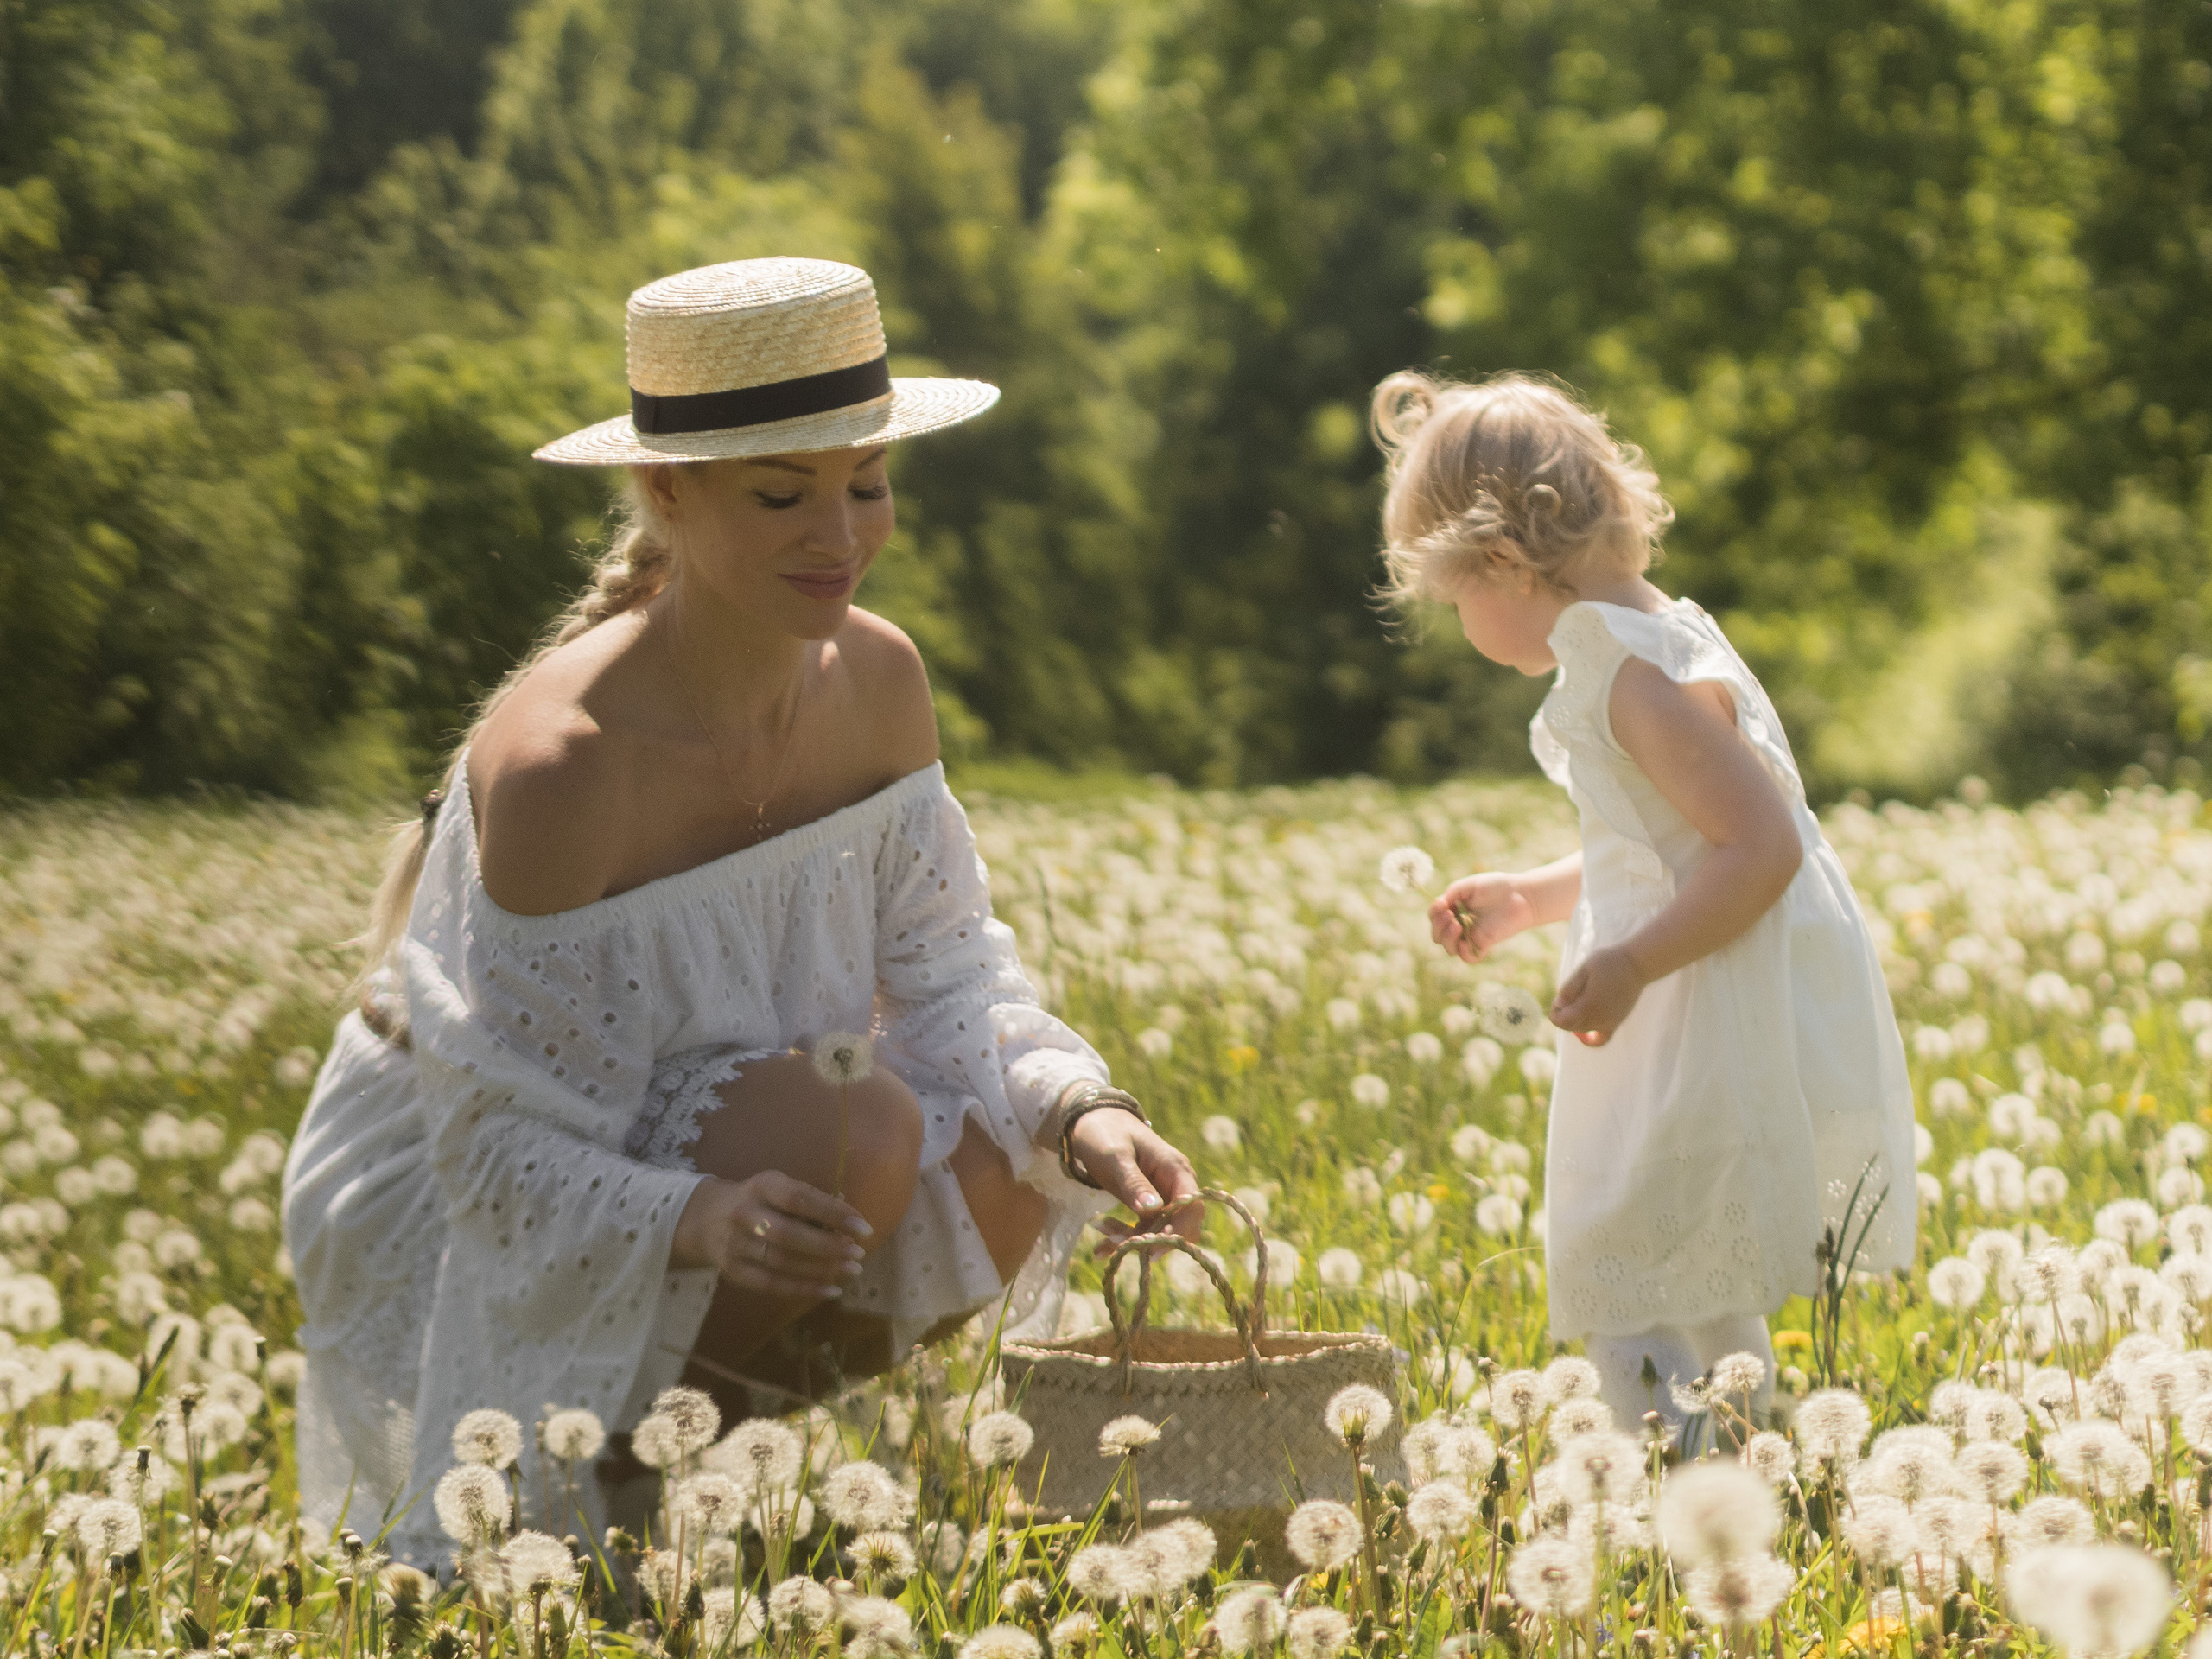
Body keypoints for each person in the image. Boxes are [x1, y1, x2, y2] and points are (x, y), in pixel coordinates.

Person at [281, 257, 1200, 1560]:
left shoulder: (882, 684)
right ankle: (546, 1501)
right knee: (857, 1121)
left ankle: (639, 1469)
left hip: (734, 1121)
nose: (840, 539)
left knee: (1007, 1160)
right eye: (783, 495)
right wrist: (695, 1221)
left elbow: (949, 989)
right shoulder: (566, 763)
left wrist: (1084, 1106)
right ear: (664, 492)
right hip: (452, 1188)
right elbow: (496, 1161)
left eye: (866, 485)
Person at [1370, 369, 1916, 1435]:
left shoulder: (1628, 672)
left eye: (1453, 598)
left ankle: (1663, 1476)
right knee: (1680, 1235)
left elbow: (1757, 850)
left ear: (1502, 562)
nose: (1458, 620)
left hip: (1693, 998)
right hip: (1691, 977)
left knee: (1628, 1234)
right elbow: (1671, 844)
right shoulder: (1652, 637)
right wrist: (1535, 897)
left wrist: (1632, 961)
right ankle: (1735, 1450)